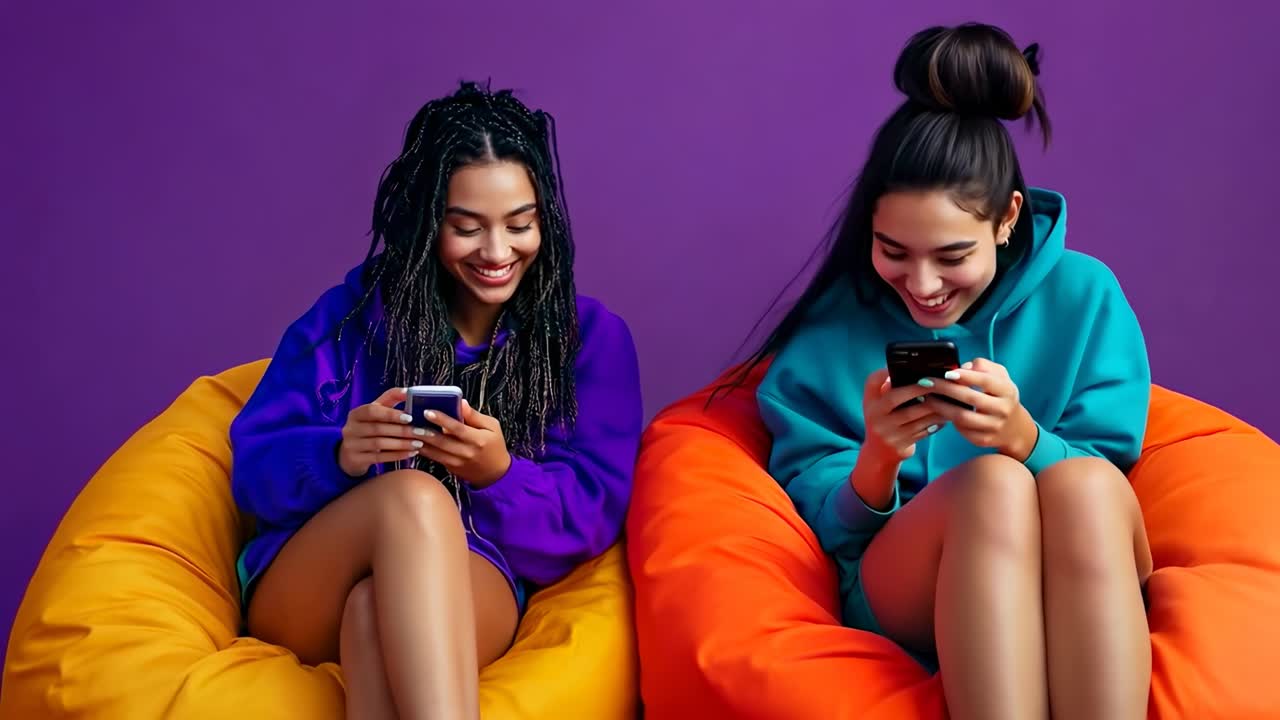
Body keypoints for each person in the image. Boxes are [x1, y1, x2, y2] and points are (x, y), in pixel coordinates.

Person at [738, 23, 1152, 720]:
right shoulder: (836, 324)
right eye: (892, 249)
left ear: (1006, 219)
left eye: (951, 255)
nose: (922, 284)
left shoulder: (1084, 296)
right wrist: (878, 455)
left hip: (1078, 560)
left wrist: (1026, 437)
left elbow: (1114, 474)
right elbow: (822, 532)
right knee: (989, 485)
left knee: (1079, 481)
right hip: (908, 577)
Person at [229, 81, 643, 720]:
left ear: (546, 222)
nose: (498, 252)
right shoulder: (348, 319)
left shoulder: (590, 341)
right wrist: (339, 454)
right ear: (428, 224)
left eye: (520, 224)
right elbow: (253, 477)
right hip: (309, 584)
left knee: (374, 619)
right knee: (412, 496)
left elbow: (590, 519)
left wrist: (499, 475)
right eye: (467, 228)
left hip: (477, 576)